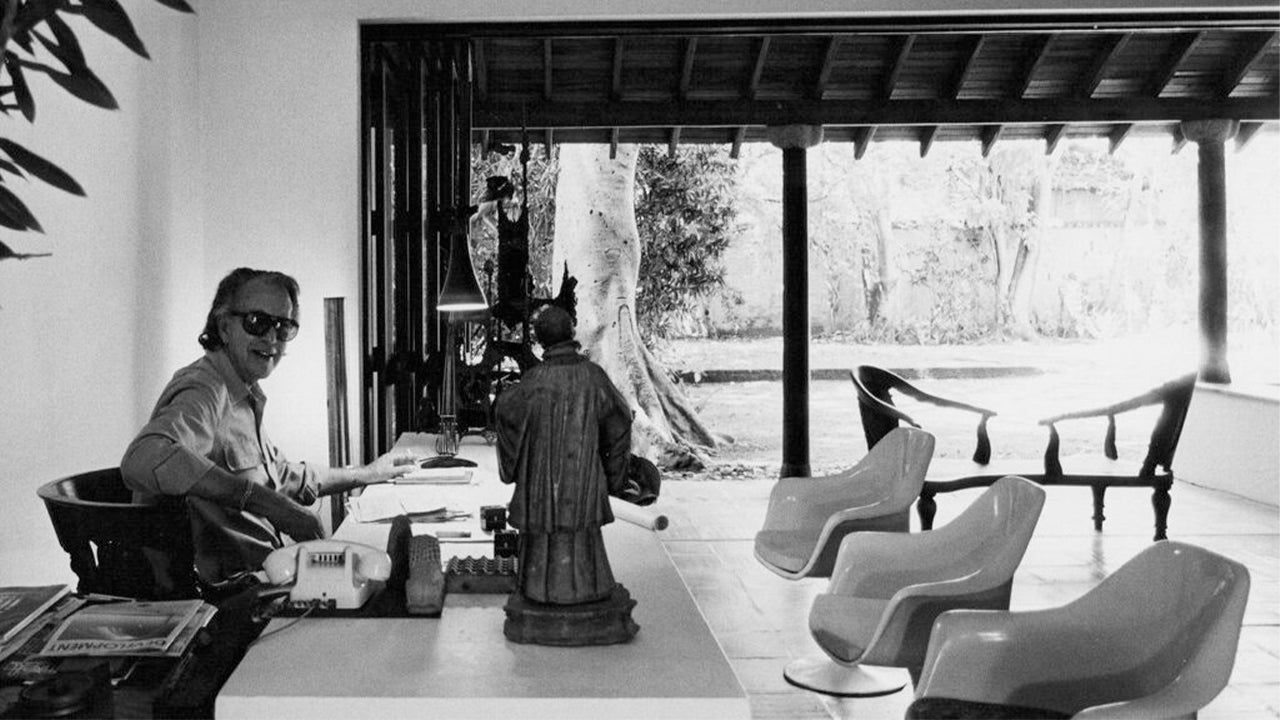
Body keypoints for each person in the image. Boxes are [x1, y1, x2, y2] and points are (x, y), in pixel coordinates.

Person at [121, 267, 416, 589]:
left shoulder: (243, 393)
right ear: (224, 327)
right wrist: (269, 504)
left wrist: (366, 473)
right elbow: (144, 456)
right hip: (226, 594)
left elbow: (282, 476)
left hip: (263, 576)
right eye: (257, 322)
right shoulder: (205, 389)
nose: (271, 339)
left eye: (283, 326)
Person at [493, 305, 632, 605]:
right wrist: (614, 474)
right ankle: (589, 588)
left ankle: (540, 590)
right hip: (583, 481)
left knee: (542, 546)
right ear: (571, 331)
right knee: (584, 542)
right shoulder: (593, 377)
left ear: (540, 339)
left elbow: (505, 410)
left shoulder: (533, 381)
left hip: (541, 487)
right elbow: (620, 420)